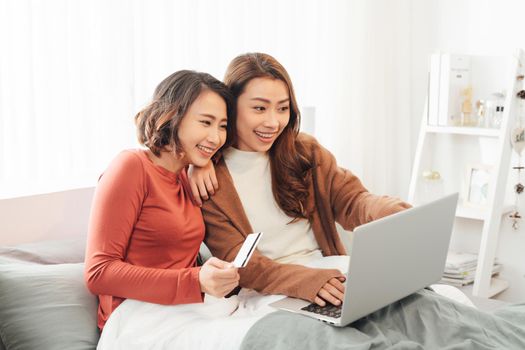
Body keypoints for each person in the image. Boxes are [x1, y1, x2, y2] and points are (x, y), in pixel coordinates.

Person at [189, 53, 411, 308]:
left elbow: (351, 200)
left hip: (329, 272)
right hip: (273, 291)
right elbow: (241, 263)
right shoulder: (209, 180)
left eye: (282, 108)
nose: (273, 122)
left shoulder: (304, 151)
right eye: (259, 108)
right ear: (231, 107)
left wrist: (390, 211)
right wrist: (306, 281)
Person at [84, 70, 240, 330]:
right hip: (135, 318)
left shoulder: (186, 174)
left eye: (222, 126)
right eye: (205, 122)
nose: (215, 137)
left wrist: (204, 163)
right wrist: (196, 280)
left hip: (185, 310)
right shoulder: (131, 167)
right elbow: (98, 273)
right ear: (171, 117)